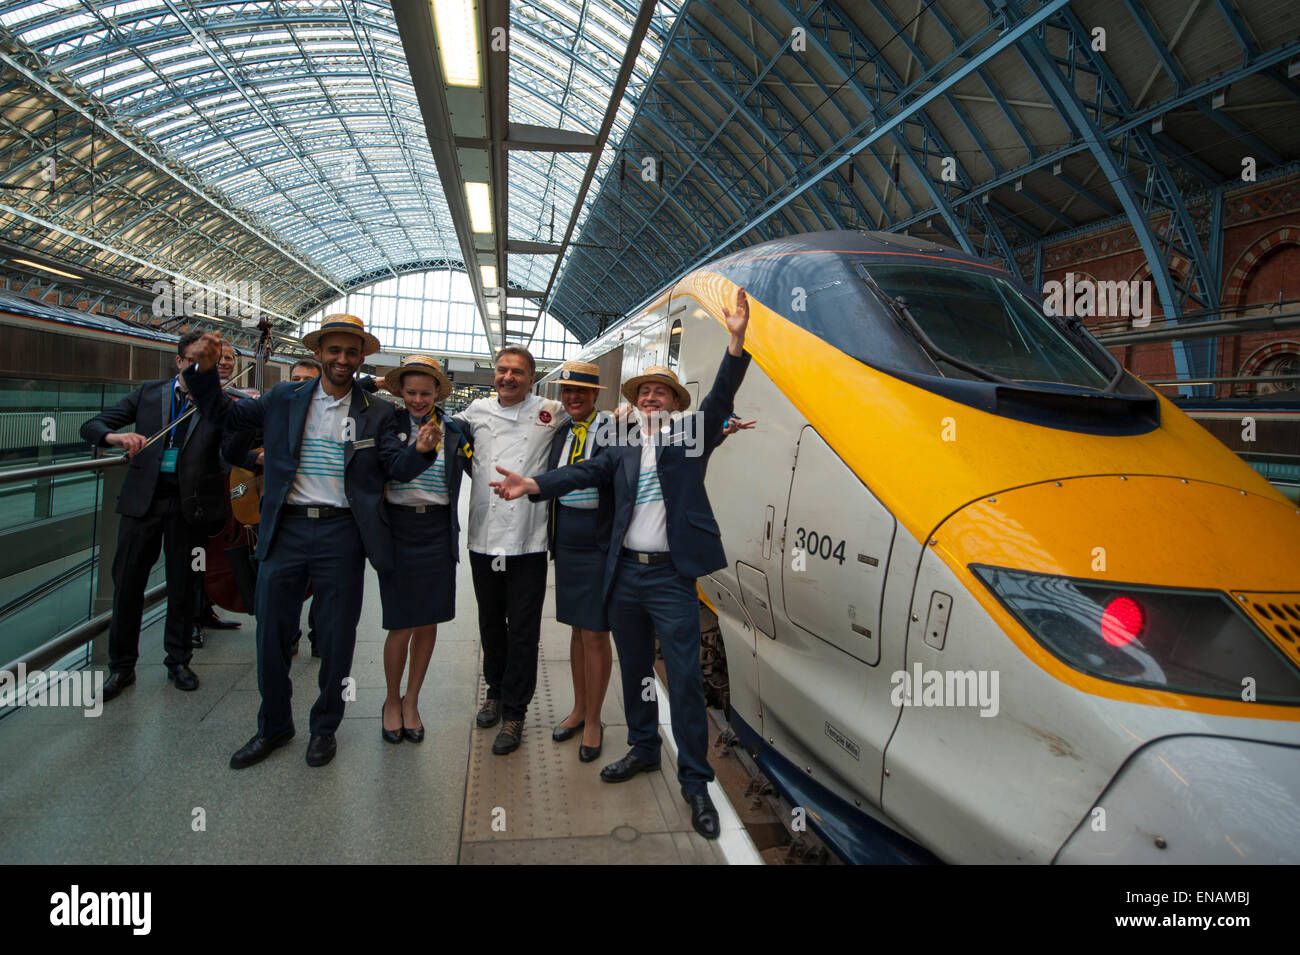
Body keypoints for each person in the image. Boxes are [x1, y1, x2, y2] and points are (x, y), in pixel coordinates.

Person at [491, 287, 751, 838]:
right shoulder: (622, 446)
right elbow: (581, 473)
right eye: (646, 392)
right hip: (625, 573)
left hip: (672, 577)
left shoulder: (692, 439)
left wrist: (734, 342)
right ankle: (642, 747)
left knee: (681, 678)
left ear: (676, 404)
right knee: (636, 670)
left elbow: (721, 400)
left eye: (662, 393)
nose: (653, 398)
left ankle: (696, 782)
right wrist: (534, 483)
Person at [183, 314, 440, 769]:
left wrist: (422, 452)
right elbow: (224, 415)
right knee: (271, 636)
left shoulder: (378, 411)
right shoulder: (285, 397)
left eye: (351, 352)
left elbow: (393, 467)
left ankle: (325, 728)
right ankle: (274, 726)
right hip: (286, 530)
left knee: (338, 639)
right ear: (319, 353)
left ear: (363, 357)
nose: (342, 359)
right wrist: (203, 373)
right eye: (334, 350)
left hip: (343, 533)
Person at [80, 330, 234, 700]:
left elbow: (234, 447)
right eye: (195, 362)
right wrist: (116, 438)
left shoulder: (219, 402)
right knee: (128, 585)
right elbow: (93, 426)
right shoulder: (149, 393)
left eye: (209, 364)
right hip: (142, 505)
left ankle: (178, 660)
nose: (202, 370)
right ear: (179, 362)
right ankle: (122, 668)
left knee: (185, 584)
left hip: (190, 508)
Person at [452, 346, 567, 755]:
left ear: (531, 378)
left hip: (528, 540)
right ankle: (495, 691)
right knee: (489, 624)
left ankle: (515, 711)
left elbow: (591, 420)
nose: (508, 377)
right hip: (484, 536)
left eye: (517, 372)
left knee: (523, 629)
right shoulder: (475, 412)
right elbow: (432, 423)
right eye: (502, 370)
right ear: (494, 374)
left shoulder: (552, 411)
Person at [377, 355, 471, 744]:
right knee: (400, 623)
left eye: (425, 393)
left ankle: (412, 699)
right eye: (410, 392)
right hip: (399, 528)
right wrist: (418, 449)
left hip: (437, 527)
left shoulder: (455, 430)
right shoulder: (387, 424)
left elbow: (477, 466)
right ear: (399, 392)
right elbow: (392, 468)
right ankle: (390, 700)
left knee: (428, 620)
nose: (417, 399)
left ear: (437, 393)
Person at [544, 361, 614, 762]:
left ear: (595, 395)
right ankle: (578, 707)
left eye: (581, 392)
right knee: (574, 628)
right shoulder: (561, 431)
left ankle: (594, 719)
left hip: (598, 537)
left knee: (594, 632)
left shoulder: (613, 428)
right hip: (567, 534)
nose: (573, 398)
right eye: (567, 391)